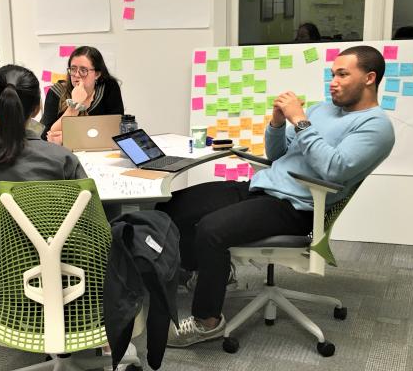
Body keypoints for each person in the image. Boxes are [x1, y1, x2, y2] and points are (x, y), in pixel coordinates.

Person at [158, 45, 395, 347]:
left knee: (210, 230)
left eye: (342, 74)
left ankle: (208, 321)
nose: (333, 81)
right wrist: (277, 123)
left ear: (369, 78)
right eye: (332, 73)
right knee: (174, 208)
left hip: (296, 206)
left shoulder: (376, 127)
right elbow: (278, 154)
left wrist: (301, 121)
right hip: (261, 185)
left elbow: (334, 169)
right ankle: (210, 272)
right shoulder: (323, 109)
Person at [0, 64, 87, 247]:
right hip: (68, 266)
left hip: (4, 269)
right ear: (37, 109)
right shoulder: (62, 158)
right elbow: (89, 225)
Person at [40, 46, 124, 145]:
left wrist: (70, 137)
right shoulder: (57, 91)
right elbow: (46, 136)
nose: (77, 75)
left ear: (97, 74)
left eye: (83, 70)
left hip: (101, 152)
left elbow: (116, 129)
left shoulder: (109, 87)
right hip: (65, 153)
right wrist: (75, 105)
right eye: (73, 69)